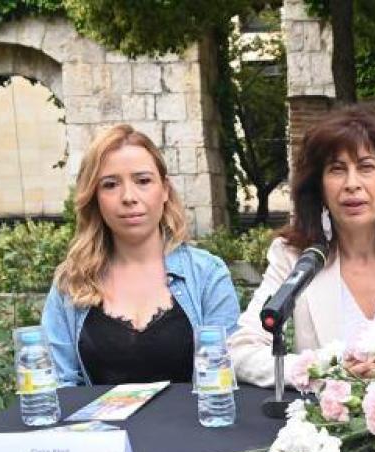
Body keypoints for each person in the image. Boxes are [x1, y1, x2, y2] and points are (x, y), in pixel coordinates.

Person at [229, 105, 375, 387]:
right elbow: (242, 351)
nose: (352, 184)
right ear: (319, 187)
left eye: (366, 167)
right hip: (325, 423)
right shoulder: (293, 256)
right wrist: (327, 371)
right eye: (337, 170)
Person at [42, 124, 240, 387]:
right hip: (97, 428)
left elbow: (223, 381)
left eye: (143, 181)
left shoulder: (208, 275)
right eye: (110, 185)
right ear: (95, 198)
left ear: (165, 189)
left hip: (191, 427)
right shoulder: (71, 282)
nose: (128, 197)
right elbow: (56, 385)